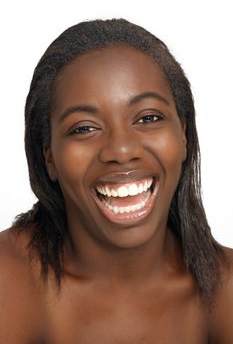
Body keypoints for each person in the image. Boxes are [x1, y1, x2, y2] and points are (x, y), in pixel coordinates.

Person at [0, 18, 232, 343]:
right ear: (49, 157)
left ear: (183, 136)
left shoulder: (226, 287)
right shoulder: (8, 279)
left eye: (148, 117)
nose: (121, 150)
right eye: (84, 127)